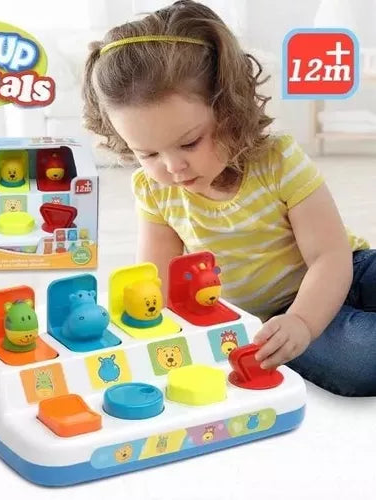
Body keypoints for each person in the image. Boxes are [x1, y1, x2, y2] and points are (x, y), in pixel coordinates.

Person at [82, 0, 376, 396]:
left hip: (345, 271)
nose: (173, 167)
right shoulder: (154, 190)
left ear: (229, 110)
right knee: (360, 357)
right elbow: (159, 282)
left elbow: (329, 256)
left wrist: (305, 320)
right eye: (147, 154)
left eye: (189, 142)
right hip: (275, 319)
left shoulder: (278, 161)